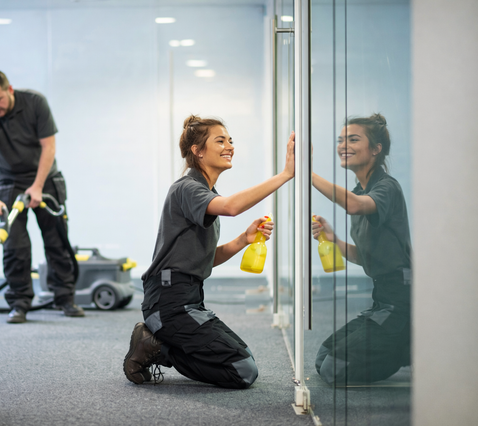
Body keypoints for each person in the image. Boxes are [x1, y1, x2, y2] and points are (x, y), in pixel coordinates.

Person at [123, 115, 295, 388]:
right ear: (198, 151)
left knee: (244, 359)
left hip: (189, 300)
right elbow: (231, 207)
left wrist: (243, 240)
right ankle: (155, 345)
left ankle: (159, 342)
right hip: (169, 304)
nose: (229, 146)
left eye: (230, 140)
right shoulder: (188, 188)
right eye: (220, 140)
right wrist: (285, 175)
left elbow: (201, 259)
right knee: (242, 371)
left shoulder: (205, 190)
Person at [0, 70, 84, 323]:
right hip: (9, 184)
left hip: (45, 179)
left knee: (57, 241)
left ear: (9, 89)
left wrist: (37, 186)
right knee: (15, 246)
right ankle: (20, 303)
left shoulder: (35, 103)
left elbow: (49, 147)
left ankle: (65, 298)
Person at [312, 113, 411, 384]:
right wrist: (335, 242)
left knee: (335, 369)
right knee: (324, 357)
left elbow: (354, 204)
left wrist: (305, 173)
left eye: (353, 139)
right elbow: (367, 257)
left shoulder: (385, 188)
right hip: (382, 299)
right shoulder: (359, 190)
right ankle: (401, 344)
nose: (343, 145)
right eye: (341, 140)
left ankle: (407, 346)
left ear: (376, 149)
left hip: (401, 301)